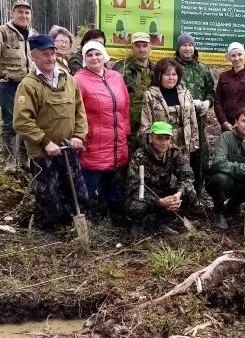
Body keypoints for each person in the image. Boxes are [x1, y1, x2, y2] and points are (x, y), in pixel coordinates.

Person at [12, 34, 88, 230]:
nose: (50, 58)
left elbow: (80, 111)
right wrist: (45, 142)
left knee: (76, 191)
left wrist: (79, 136)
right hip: (43, 152)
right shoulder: (28, 85)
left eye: (52, 53)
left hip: (68, 147)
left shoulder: (69, 80)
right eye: (44, 54)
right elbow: (22, 121)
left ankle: (74, 224)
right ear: (33, 56)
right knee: (48, 193)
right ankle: (48, 229)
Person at [74, 41, 130, 223]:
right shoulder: (79, 79)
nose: (94, 58)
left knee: (114, 185)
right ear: (84, 58)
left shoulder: (116, 77)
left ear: (104, 55)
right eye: (89, 55)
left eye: (97, 54)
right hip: (93, 144)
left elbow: (125, 107)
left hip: (117, 142)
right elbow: (75, 111)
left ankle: (114, 217)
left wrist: (125, 132)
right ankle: (86, 221)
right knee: (89, 187)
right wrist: (80, 137)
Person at [0, 0, 37, 173]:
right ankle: (10, 162)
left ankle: (25, 159)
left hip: (29, 84)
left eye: (27, 13)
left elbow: (41, 56)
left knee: (28, 121)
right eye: (20, 12)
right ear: (12, 14)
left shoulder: (33, 35)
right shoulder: (1, 32)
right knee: (10, 122)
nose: (23, 15)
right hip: (9, 84)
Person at [124, 121, 198, 236]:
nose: (164, 142)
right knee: (135, 207)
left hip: (166, 193)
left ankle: (162, 222)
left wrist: (178, 194)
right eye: (159, 138)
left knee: (190, 193)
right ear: (151, 138)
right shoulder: (140, 156)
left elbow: (188, 176)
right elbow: (133, 187)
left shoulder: (174, 154)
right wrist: (159, 202)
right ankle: (139, 223)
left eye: (167, 138)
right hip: (146, 197)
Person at [174, 32, 215, 196]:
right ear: (178, 48)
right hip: (178, 122)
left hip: (199, 121)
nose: (187, 48)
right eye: (184, 45)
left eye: (190, 45)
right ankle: (180, 193)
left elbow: (211, 92)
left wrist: (207, 103)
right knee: (180, 158)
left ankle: (198, 192)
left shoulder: (203, 69)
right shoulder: (172, 67)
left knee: (202, 159)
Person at [140, 58, 199, 158]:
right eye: (167, 74)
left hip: (183, 147)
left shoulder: (185, 94)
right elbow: (146, 124)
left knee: (182, 172)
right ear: (160, 76)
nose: (171, 78)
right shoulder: (150, 95)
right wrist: (149, 146)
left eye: (174, 74)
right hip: (160, 146)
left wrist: (194, 143)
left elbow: (193, 120)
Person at [113, 32, 156, 149]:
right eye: (137, 46)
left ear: (150, 47)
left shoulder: (156, 70)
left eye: (145, 45)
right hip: (127, 123)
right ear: (132, 47)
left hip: (150, 123)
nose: (141, 49)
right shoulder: (121, 68)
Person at [214, 42, 245, 131]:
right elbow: (218, 102)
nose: (237, 58)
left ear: (244, 55)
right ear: (229, 57)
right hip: (228, 126)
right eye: (233, 55)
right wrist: (224, 122)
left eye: (239, 54)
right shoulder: (224, 76)